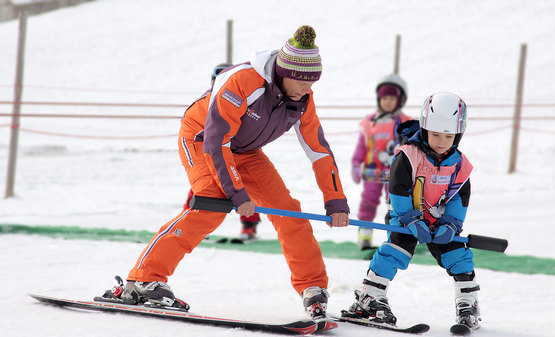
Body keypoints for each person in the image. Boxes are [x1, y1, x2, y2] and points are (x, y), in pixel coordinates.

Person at [121, 25, 350, 320]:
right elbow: (217, 141)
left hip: (246, 151)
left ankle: (313, 288)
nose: (307, 88)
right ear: (283, 71)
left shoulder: (303, 98)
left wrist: (335, 201)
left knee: (289, 211)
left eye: (312, 82)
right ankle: (143, 280)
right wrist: (236, 193)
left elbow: (318, 150)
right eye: (302, 81)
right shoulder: (243, 81)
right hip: (202, 139)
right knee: (212, 205)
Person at [342, 92, 481, 331]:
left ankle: (469, 305)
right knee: (396, 250)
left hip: (439, 221)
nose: (441, 141)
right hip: (404, 216)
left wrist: (451, 223)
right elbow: (398, 189)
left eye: (448, 136)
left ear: (458, 135)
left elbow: (459, 197)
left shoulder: (459, 164)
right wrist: (409, 218)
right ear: (425, 129)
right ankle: (369, 298)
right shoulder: (408, 155)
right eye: (435, 134)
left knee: (458, 256)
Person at [182, 62, 262, 240]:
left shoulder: (240, 97)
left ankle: (249, 226)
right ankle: (191, 220)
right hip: (213, 150)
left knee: (244, 187)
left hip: (235, 149)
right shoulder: (208, 101)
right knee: (203, 185)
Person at [351, 74, 411, 249]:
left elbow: (411, 146)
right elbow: (362, 146)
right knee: (368, 201)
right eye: (384, 98)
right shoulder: (370, 122)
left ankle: (395, 237)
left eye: (392, 98)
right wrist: (356, 163)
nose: (387, 102)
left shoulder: (404, 122)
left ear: (399, 100)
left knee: (394, 203)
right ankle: (365, 234)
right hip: (372, 172)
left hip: (395, 173)